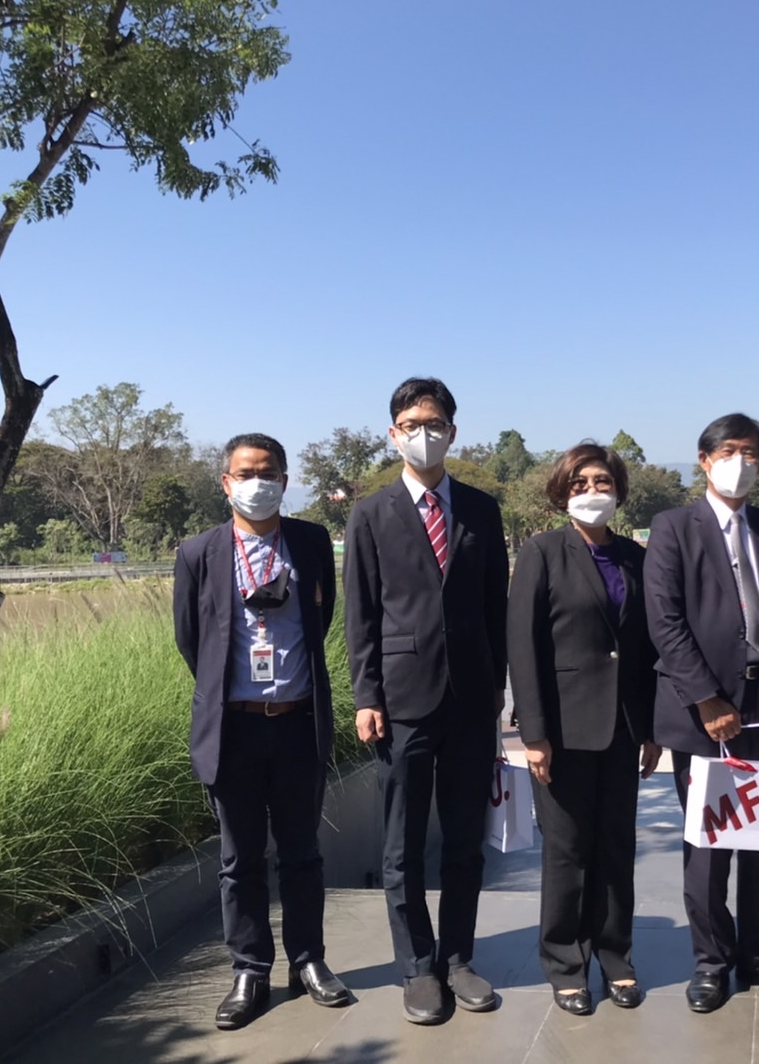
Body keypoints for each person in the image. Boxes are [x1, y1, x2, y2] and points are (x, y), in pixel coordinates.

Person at [343, 377, 509, 1025]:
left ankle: (459, 958)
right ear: (393, 433)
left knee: (466, 841)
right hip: (401, 700)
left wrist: (499, 687)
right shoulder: (370, 514)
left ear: (453, 432)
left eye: (435, 423)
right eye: (412, 423)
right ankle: (417, 968)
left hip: (470, 700)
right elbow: (360, 613)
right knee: (402, 844)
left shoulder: (481, 510)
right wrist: (367, 695)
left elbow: (495, 606)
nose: (424, 433)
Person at [173, 433, 351, 1030]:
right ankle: (250, 970)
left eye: (270, 471)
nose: (259, 482)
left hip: (299, 723)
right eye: (246, 472)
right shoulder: (198, 552)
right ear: (225, 482)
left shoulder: (309, 542)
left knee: (302, 854)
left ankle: (309, 961)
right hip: (236, 731)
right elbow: (191, 642)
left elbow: (320, 620)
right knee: (240, 858)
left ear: (285, 478)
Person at [643, 413, 759, 1015]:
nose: (739, 461)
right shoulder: (672, 527)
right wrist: (705, 698)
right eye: (728, 451)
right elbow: (664, 621)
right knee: (710, 848)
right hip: (703, 715)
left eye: (751, 453)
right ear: (704, 459)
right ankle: (712, 962)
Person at [508, 443, 663, 1016]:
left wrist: (650, 728)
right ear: (562, 493)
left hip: (623, 727)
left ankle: (616, 956)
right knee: (568, 851)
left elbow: (645, 649)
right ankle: (565, 963)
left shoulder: (635, 556)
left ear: (618, 490)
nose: (592, 491)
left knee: (616, 846)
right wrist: (535, 735)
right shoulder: (542, 552)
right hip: (564, 730)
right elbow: (523, 650)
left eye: (601, 481)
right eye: (580, 483)